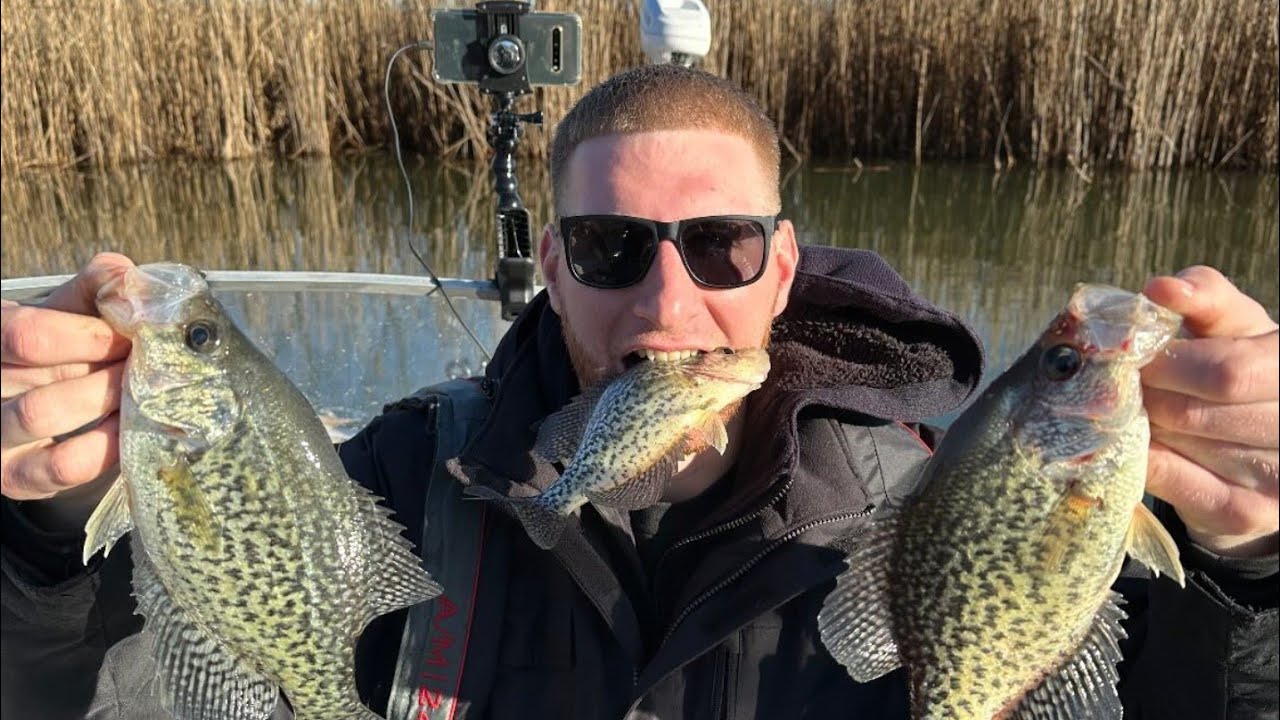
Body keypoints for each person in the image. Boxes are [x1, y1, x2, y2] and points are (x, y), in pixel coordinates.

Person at [2, 64, 1276, 720]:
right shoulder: (384, 482)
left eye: (717, 246)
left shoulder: (942, 497)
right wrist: (41, 542)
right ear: (549, 266)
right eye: (610, 250)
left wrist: (1248, 569)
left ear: (781, 267)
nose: (665, 311)